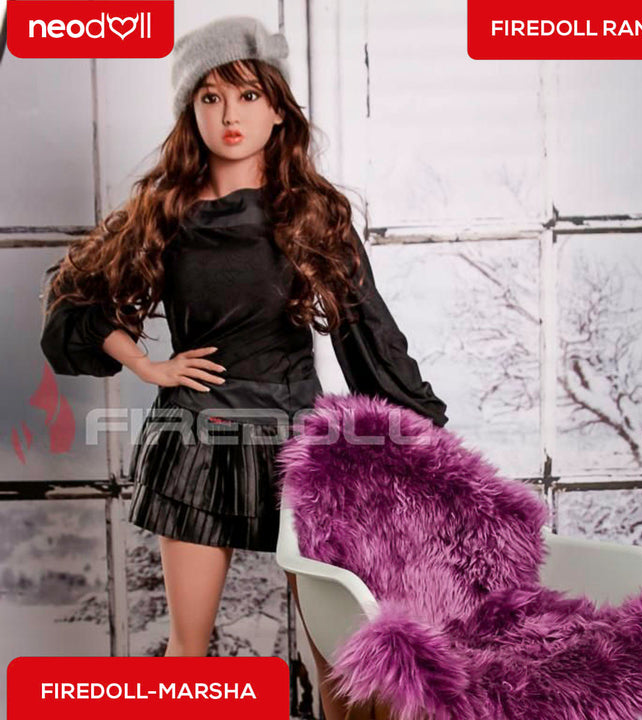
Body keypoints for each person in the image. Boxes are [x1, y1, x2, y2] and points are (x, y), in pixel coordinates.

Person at [39, 15, 448, 720]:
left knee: (341, 660)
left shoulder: (313, 213)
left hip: (299, 449)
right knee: (187, 655)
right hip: (197, 442)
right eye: (211, 98)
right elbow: (74, 308)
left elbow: (370, 336)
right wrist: (146, 364)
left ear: (278, 108)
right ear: (189, 110)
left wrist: (428, 438)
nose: (231, 116)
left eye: (250, 95)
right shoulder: (162, 213)